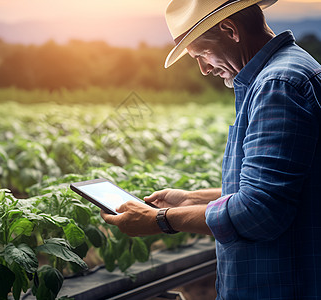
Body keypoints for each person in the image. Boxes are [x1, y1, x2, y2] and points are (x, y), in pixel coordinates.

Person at [101, 0, 321, 298]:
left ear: (230, 30)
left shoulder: (277, 85)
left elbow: (259, 211)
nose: (203, 69)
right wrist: (191, 198)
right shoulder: (285, 73)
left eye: (202, 53)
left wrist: (161, 220)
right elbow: (281, 189)